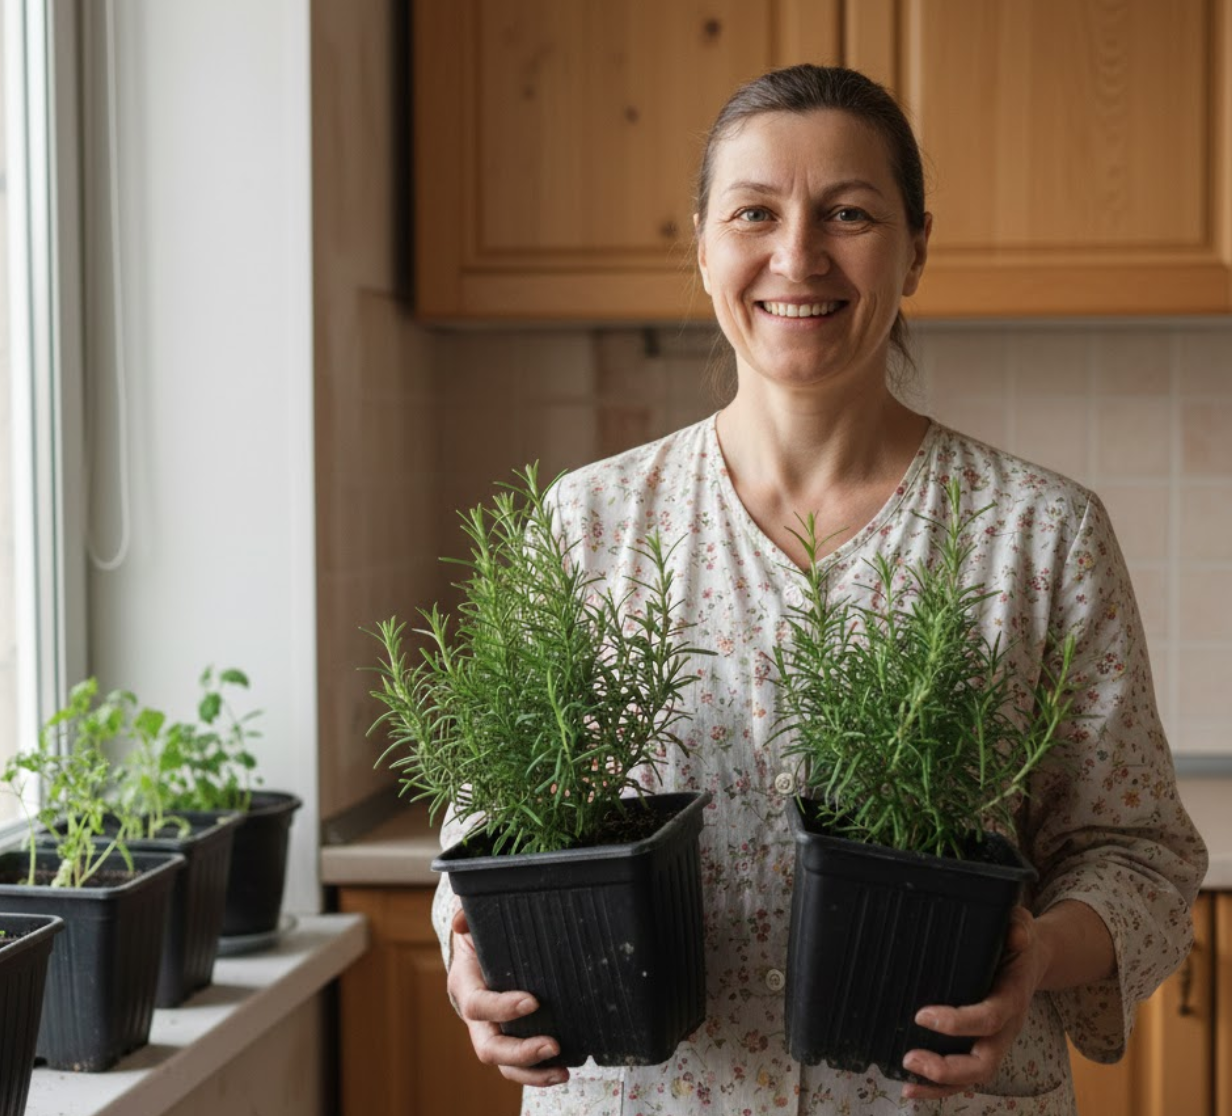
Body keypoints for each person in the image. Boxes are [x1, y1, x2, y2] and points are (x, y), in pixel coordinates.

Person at [432, 64, 1208, 1115]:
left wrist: (1037, 953)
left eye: (848, 213)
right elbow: (490, 830)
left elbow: (1138, 857)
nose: (796, 256)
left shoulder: (1039, 533)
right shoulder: (590, 522)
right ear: (701, 246)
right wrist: (467, 954)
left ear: (915, 247)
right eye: (754, 212)